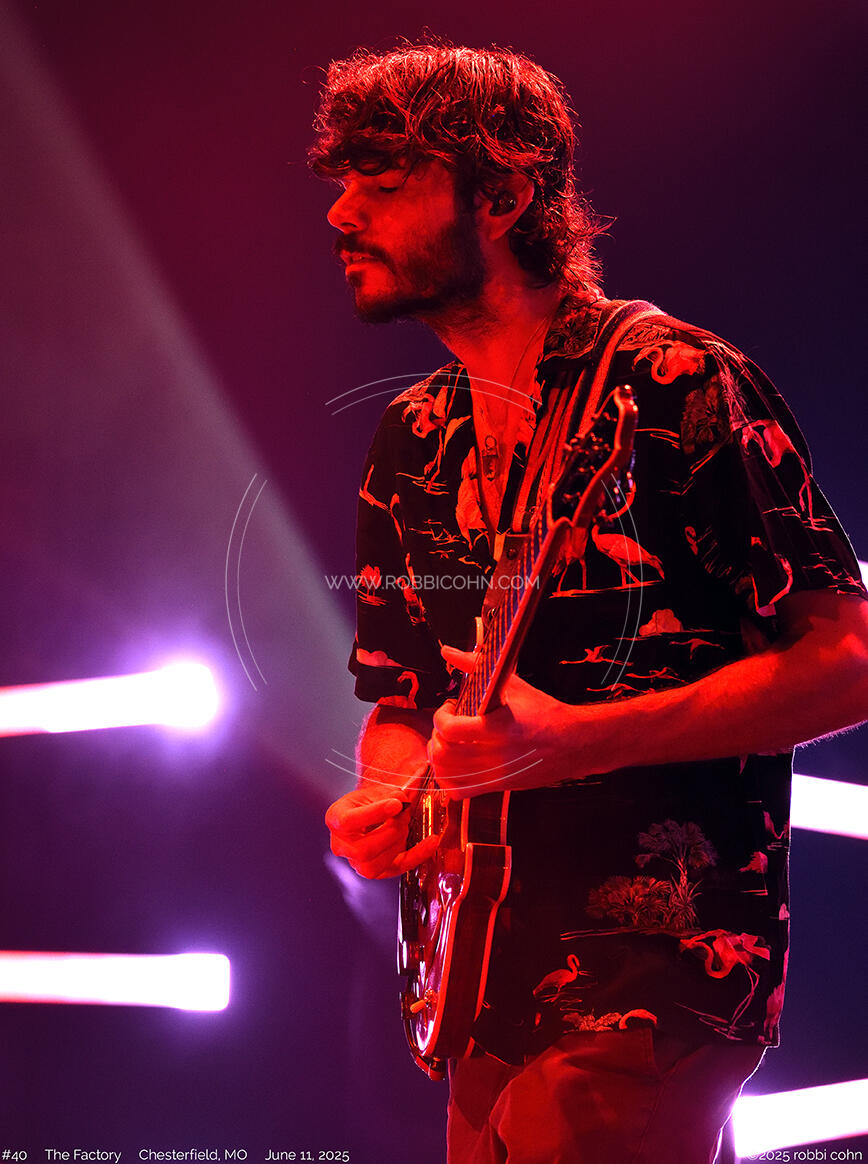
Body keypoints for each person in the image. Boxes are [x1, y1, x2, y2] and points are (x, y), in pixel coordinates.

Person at [313, 43, 868, 1163]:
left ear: (503, 195)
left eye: (383, 181)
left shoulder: (675, 384)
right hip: (478, 984)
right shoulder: (411, 438)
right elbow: (402, 701)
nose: (340, 212)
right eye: (342, 180)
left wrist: (577, 741)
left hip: (649, 970)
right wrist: (389, 796)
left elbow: (848, 659)